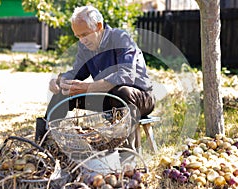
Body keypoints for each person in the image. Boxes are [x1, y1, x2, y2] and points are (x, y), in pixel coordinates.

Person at [35, 5, 155, 150]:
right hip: (107, 98)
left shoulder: (120, 38)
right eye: (78, 36)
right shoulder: (85, 47)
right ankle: (43, 142)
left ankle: (126, 152)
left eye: (85, 34)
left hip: (140, 98)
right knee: (64, 92)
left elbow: (126, 75)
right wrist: (60, 81)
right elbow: (76, 73)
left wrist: (89, 87)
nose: (82, 40)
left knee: (122, 92)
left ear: (98, 26)